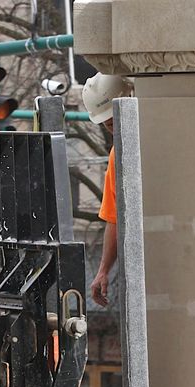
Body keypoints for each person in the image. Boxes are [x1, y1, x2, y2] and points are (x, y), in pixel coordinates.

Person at [82, 72, 133, 307]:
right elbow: (115, 216)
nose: (111, 126)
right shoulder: (118, 155)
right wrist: (103, 270)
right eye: (107, 123)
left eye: (112, 120)